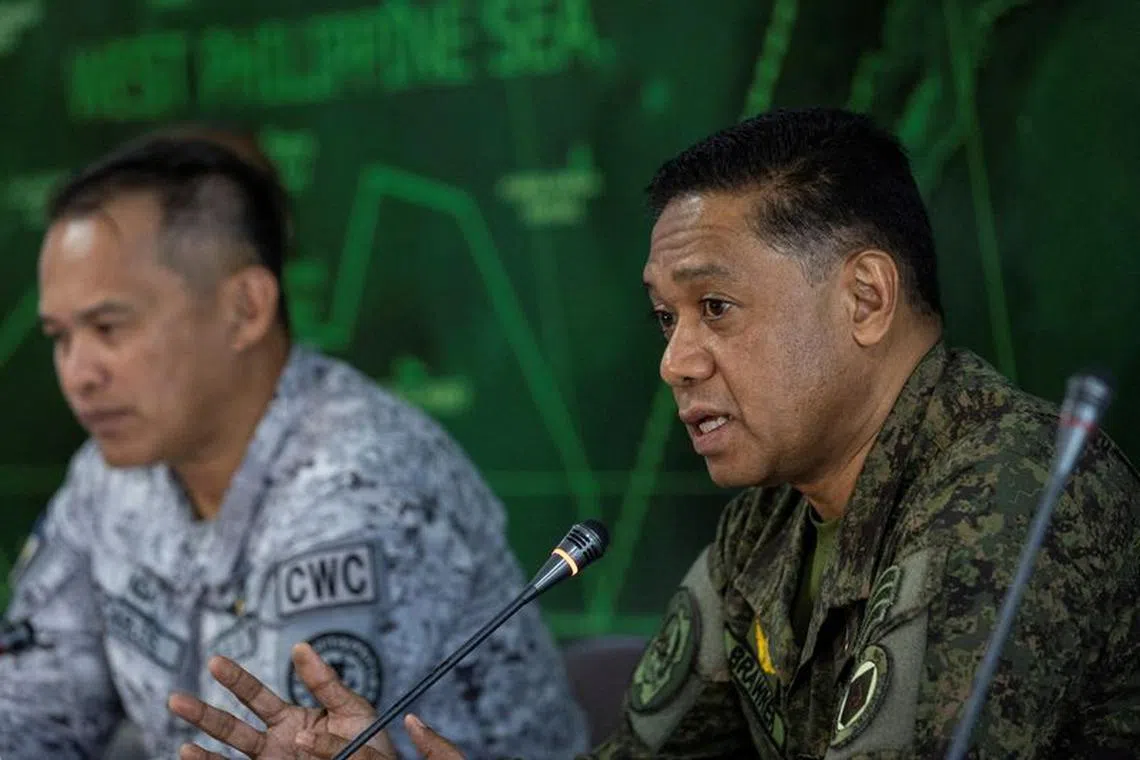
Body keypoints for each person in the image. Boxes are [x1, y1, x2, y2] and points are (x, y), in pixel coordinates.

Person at [171, 106, 1140, 759]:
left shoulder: (1013, 491)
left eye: (716, 307)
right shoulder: (770, 516)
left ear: (866, 296)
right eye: (665, 319)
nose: (677, 359)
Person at [0, 128, 588, 759]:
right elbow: (31, 713)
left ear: (246, 308)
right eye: (60, 336)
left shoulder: (359, 487)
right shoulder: (111, 470)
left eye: (109, 327)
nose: (78, 373)